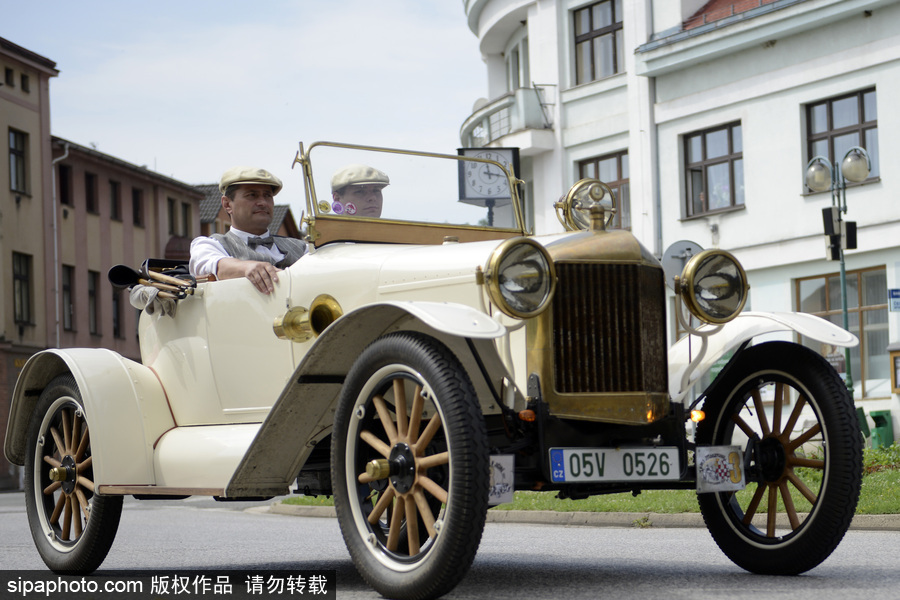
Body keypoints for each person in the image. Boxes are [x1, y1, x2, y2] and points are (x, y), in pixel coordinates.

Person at [190, 166, 306, 294]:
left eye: (267, 195)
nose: (263, 202)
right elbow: (216, 266)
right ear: (227, 204)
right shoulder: (208, 246)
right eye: (252, 195)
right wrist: (247, 267)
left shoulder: (302, 248)